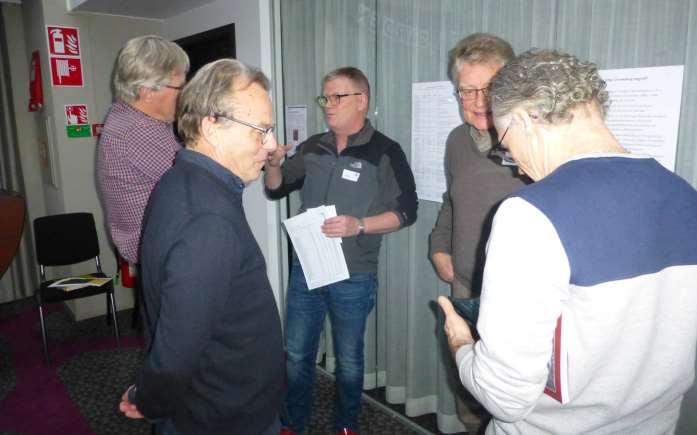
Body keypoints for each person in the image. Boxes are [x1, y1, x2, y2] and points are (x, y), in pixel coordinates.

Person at [438, 49, 697, 434]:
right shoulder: (683, 194)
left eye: (507, 147)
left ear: (525, 120)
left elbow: (504, 397)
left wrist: (462, 346)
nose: (519, 167)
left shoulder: (529, 215)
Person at [118, 59, 285, 435]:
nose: (270, 144)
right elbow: (177, 346)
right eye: (261, 130)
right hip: (222, 416)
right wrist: (150, 400)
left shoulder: (181, 179)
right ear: (212, 125)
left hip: (210, 401)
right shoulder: (207, 218)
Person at [265, 67, 418, 435]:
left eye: (337, 97)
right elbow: (276, 188)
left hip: (354, 274)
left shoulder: (385, 151)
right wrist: (271, 165)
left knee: (348, 361)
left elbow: (407, 211)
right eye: (325, 97)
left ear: (361, 100)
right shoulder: (312, 146)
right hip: (307, 269)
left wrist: (359, 225)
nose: (328, 105)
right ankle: (293, 423)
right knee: (297, 354)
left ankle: (346, 426)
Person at [428, 33, 527, 429]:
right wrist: (439, 245)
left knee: (512, 397)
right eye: (466, 91)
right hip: (466, 288)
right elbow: (451, 199)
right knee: (468, 390)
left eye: (489, 88)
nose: (477, 101)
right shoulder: (456, 140)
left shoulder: (530, 141)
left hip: (519, 295)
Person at [97, 35, 188, 266]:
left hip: (155, 247)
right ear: (147, 91)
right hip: (163, 251)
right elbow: (200, 182)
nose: (185, 95)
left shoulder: (122, 113)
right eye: (179, 87)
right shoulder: (139, 130)